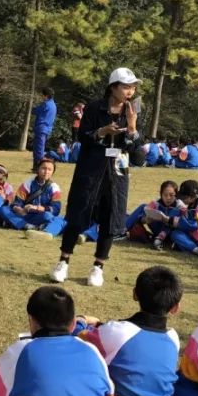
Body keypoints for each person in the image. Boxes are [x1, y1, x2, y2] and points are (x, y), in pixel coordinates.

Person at [77, 267, 183, 396]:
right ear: (175, 307)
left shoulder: (117, 332)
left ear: (135, 294)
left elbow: (81, 340)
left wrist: (82, 322)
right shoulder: (174, 338)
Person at [51, 68, 140, 288]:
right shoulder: (93, 108)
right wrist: (102, 132)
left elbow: (137, 148)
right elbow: (82, 136)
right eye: (126, 86)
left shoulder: (133, 110)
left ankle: (98, 267)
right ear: (113, 87)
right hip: (91, 167)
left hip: (117, 170)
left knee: (110, 217)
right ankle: (63, 261)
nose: (131, 91)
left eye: (133, 87)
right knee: (78, 212)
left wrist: (131, 126)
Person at [0, 158, 65, 238]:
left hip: (42, 216)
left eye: (49, 169)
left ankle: (18, 224)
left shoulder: (54, 188)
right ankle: (28, 226)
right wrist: (18, 209)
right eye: (43, 168)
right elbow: (17, 202)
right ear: (38, 169)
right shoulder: (27, 184)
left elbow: (56, 209)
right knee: (4, 209)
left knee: (50, 216)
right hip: (26, 215)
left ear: (52, 172)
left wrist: (39, 208)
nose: (46, 172)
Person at [124, 180, 179, 249]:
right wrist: (145, 220)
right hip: (157, 229)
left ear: (176, 194)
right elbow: (141, 218)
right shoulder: (156, 203)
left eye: (171, 195)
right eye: (165, 195)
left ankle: (159, 239)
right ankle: (123, 230)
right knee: (143, 207)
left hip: (171, 233)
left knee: (174, 216)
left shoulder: (179, 205)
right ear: (161, 194)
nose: (168, 198)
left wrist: (168, 220)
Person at [30, 87, 57, 168]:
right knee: (39, 147)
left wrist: (32, 107)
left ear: (46, 95)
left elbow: (35, 111)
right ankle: (36, 165)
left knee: (39, 149)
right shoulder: (53, 105)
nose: (42, 97)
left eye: (42, 95)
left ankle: (38, 166)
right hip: (47, 128)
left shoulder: (45, 104)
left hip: (41, 128)